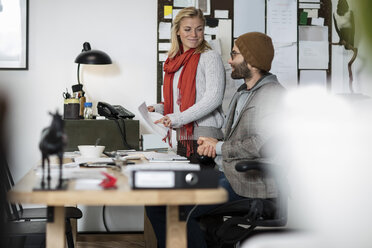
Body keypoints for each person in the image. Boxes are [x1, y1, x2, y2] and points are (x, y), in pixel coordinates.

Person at [147, 31, 285, 248]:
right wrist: (212, 145)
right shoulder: (242, 93)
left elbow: (262, 145)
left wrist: (219, 147)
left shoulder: (274, 96)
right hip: (226, 174)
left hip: (249, 182)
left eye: (235, 55)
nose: (229, 60)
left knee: (178, 209)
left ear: (253, 62)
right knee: (156, 200)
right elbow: (237, 139)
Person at [147, 7, 225, 164]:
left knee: (201, 185)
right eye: (188, 29)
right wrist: (157, 109)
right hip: (182, 134)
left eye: (199, 29)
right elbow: (178, 101)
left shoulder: (210, 57)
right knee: (185, 185)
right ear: (177, 31)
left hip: (204, 133)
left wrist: (178, 118)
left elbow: (213, 98)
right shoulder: (173, 61)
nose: (194, 35)